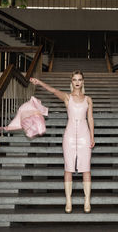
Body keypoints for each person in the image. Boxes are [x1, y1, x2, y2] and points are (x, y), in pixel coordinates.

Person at [30, 70, 95, 214]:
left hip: (84, 135)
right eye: (74, 79)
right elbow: (53, 90)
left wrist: (92, 136)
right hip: (70, 136)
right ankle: (68, 200)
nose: (77, 82)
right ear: (71, 82)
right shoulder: (67, 97)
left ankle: (87, 200)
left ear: (83, 82)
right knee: (68, 168)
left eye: (79, 79)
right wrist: (39, 82)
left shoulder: (88, 99)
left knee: (86, 168)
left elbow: (90, 119)